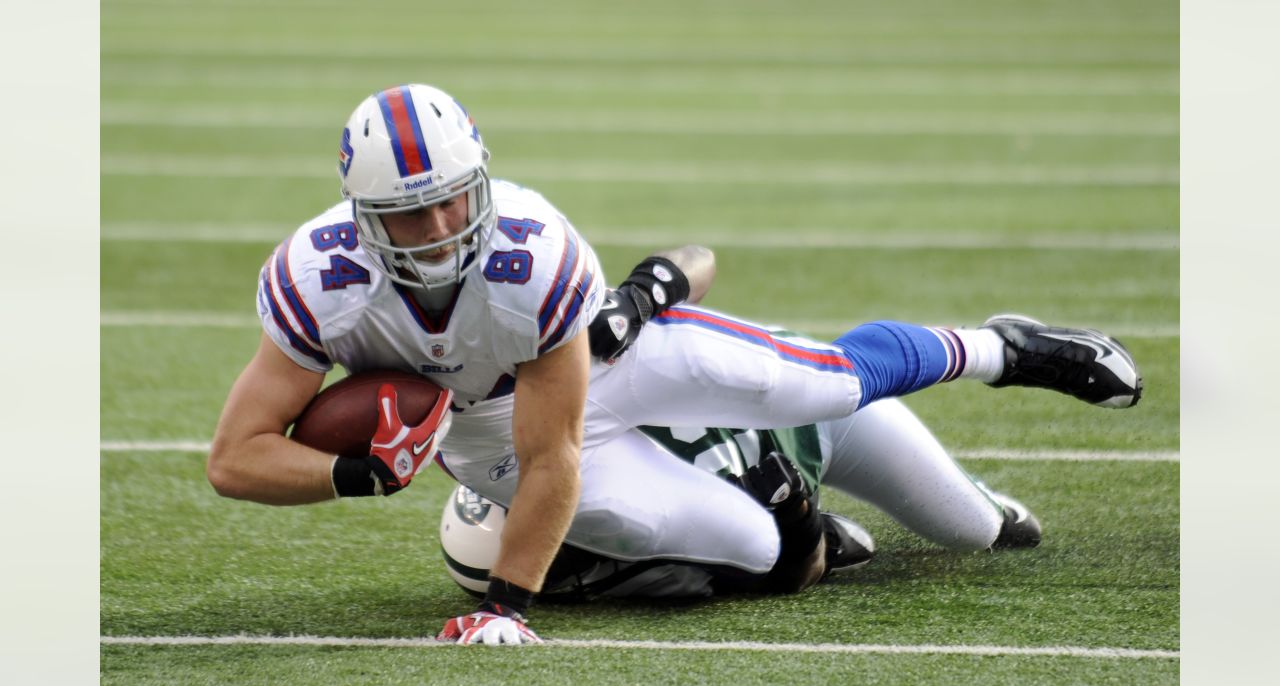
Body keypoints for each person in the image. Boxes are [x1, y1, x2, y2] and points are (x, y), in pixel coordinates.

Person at [207, 83, 1143, 646]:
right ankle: (774, 486)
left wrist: (506, 608)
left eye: (455, 201)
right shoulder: (318, 278)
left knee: (813, 379)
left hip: (592, 382)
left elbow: (559, 450)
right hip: (485, 432)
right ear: (364, 221)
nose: (443, 228)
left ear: (480, 183)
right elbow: (235, 456)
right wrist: (354, 472)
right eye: (414, 213)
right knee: (768, 552)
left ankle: (1000, 348)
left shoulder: (532, 252)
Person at [439, 395, 1040, 601]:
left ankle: (1000, 345)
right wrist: (802, 521)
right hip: (776, 460)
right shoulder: (636, 525)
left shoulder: (573, 438)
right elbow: (788, 565)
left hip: (825, 412)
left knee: (980, 529)